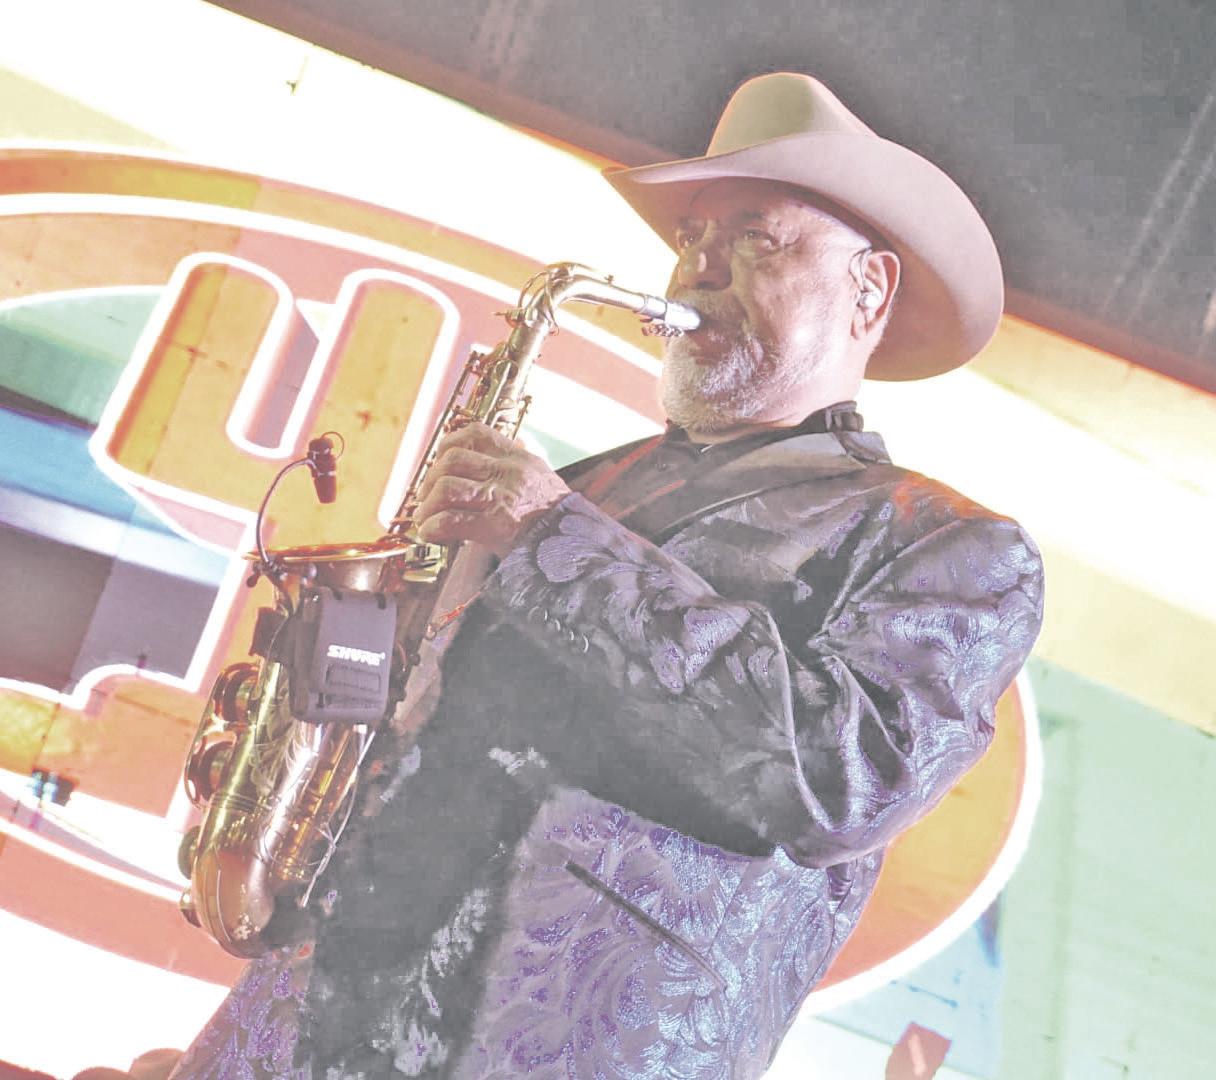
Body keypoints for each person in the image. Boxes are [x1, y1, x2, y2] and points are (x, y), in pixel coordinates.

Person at [171, 72, 1043, 1077]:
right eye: (692, 238)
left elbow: (843, 782)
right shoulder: (589, 484)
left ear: (869, 289)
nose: (697, 270)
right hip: (302, 1020)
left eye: (753, 238)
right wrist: (287, 783)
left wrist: (551, 537)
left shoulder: (950, 547)